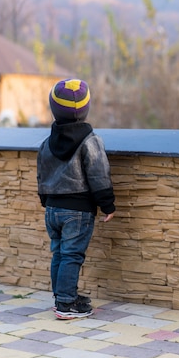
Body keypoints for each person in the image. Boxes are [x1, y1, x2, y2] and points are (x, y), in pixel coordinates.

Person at [37, 78, 115, 320]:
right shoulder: (90, 141)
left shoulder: (47, 143)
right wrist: (107, 203)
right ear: (85, 109)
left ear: (54, 108)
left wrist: (46, 200)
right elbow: (98, 173)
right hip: (77, 210)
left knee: (60, 253)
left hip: (52, 208)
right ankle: (66, 304)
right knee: (72, 255)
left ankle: (62, 295)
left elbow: (42, 173)